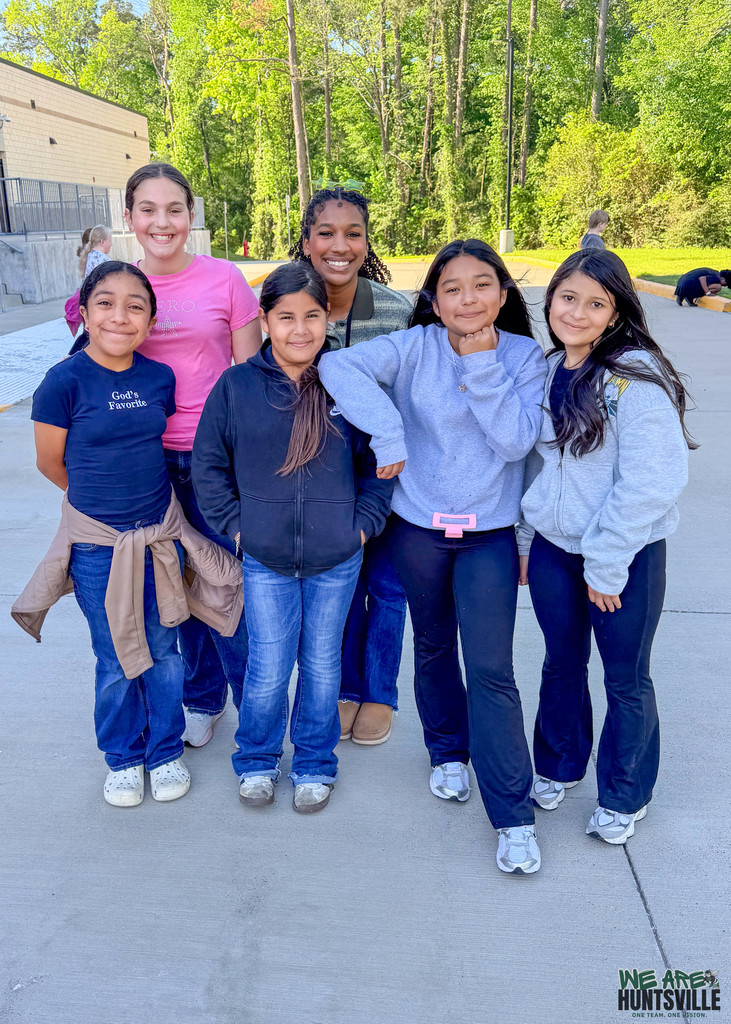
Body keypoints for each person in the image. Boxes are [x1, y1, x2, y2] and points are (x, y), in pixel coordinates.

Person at [319, 239, 547, 873]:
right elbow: (337, 368)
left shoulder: (524, 357)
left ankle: (513, 816)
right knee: (433, 647)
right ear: (435, 300)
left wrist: (480, 365)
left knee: (492, 670)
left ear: (503, 294)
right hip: (417, 529)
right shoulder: (414, 346)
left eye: (481, 286)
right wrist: (388, 430)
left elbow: (516, 443)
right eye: (452, 288)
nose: (467, 299)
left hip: (488, 536)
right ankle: (447, 754)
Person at [191, 262, 394, 813]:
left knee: (323, 665)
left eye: (312, 316)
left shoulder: (349, 383)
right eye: (285, 317)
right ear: (264, 321)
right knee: (268, 667)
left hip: (337, 557)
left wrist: (361, 526)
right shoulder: (236, 387)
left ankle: (314, 763)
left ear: (327, 317)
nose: (300, 329)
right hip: (265, 558)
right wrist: (239, 527)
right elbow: (208, 465)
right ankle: (257, 761)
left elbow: (382, 460)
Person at [518, 249, 693, 845]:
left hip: (626, 555)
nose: (577, 312)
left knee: (625, 677)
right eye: (568, 298)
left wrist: (607, 562)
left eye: (596, 304)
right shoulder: (548, 369)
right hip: (554, 548)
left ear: (615, 313)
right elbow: (536, 465)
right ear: (551, 299)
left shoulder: (634, 377)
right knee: (561, 662)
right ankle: (559, 764)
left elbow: (653, 480)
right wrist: (526, 537)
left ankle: (625, 793)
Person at [25, 262, 189, 807]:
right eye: (105, 303)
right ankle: (122, 757)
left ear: (150, 322)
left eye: (135, 306)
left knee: (164, 648)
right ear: (84, 314)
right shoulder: (63, 382)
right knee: (115, 656)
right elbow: (51, 463)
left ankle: (165, 750)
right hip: (98, 548)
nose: (120, 316)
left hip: (159, 539)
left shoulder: (159, 377)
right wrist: (101, 510)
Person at [125, 162, 261, 749]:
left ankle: (257, 711)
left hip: (214, 462)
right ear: (129, 218)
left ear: (190, 216)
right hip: (146, 464)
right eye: (148, 210)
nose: (162, 222)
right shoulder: (120, 286)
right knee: (174, 587)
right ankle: (202, 699)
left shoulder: (224, 278)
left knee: (226, 586)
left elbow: (252, 379)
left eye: (174, 209)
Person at [291, 187, 412, 746]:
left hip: (387, 474)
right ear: (306, 241)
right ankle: (343, 687)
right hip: (319, 476)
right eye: (326, 233)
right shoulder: (290, 303)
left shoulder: (395, 311)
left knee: (386, 587)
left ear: (367, 241)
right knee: (336, 588)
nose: (340, 246)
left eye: (353, 234)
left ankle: (380, 692)